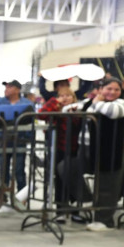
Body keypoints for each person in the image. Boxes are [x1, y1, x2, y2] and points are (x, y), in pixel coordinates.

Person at [64, 78, 124, 230]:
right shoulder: (90, 102)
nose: (112, 92)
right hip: (87, 149)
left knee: (108, 186)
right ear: (100, 90)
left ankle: (104, 220)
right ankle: (86, 200)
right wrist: (91, 104)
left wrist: (95, 104)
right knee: (65, 167)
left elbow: (113, 112)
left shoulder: (121, 103)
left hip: (112, 152)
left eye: (116, 90)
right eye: (108, 89)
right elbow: (67, 109)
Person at [38, 87, 83, 220]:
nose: (65, 98)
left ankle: (75, 210)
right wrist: (53, 101)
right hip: (59, 149)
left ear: (73, 97)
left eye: (68, 95)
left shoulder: (79, 110)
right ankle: (61, 210)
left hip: (75, 149)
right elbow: (41, 114)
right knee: (59, 179)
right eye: (61, 95)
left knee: (74, 178)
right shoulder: (55, 110)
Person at [0, 80, 34, 195]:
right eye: (6, 87)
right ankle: (4, 196)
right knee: (3, 170)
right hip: (2, 140)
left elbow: (30, 120)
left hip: (20, 140)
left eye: (10, 87)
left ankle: (22, 196)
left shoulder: (26, 104)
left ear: (18, 89)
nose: (6, 89)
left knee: (19, 170)